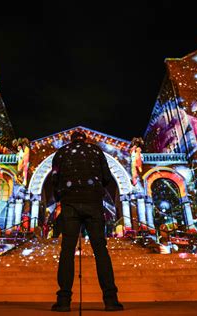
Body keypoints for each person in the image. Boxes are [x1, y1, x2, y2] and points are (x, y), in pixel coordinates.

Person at [50, 131, 123, 312]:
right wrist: (94, 188)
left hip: (70, 204)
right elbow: (106, 177)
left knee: (67, 250)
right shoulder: (96, 151)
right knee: (100, 250)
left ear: (71, 139)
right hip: (93, 203)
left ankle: (64, 300)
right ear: (86, 138)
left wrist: (62, 194)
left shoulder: (61, 152)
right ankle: (111, 300)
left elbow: (54, 178)